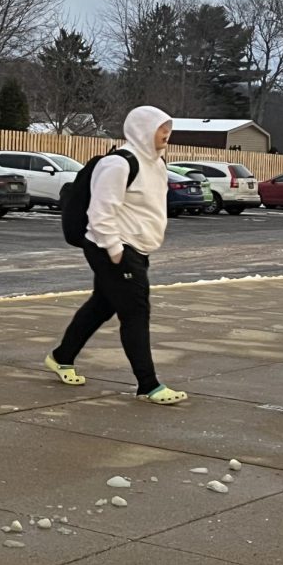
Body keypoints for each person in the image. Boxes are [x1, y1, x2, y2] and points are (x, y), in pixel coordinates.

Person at [45, 105, 188, 404]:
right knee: (136, 312)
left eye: (168, 129)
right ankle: (148, 384)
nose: (166, 135)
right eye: (161, 129)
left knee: (101, 306)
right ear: (143, 130)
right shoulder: (118, 164)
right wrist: (113, 249)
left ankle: (61, 357)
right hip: (111, 248)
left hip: (136, 247)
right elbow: (101, 211)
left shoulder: (157, 164)